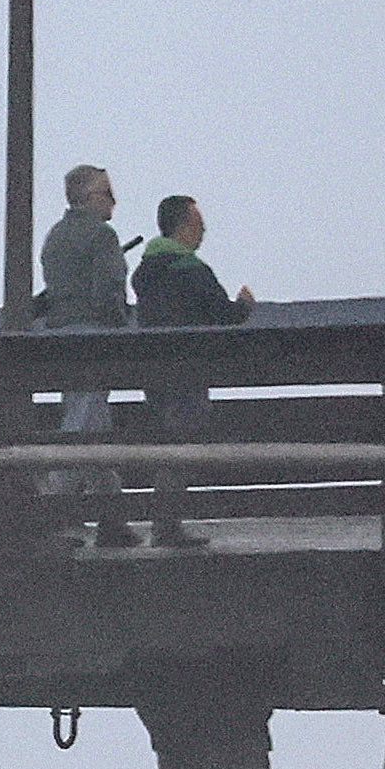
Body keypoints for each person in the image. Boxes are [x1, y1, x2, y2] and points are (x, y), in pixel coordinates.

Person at [127, 193, 252, 549]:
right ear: (183, 226)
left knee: (167, 444)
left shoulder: (146, 271)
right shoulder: (191, 270)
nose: (203, 232)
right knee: (181, 444)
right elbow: (223, 315)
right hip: (187, 371)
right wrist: (244, 306)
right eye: (199, 225)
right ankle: (167, 527)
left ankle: (163, 524)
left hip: (154, 373)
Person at [34, 163, 135, 544]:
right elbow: (109, 293)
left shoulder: (55, 237)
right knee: (81, 422)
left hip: (61, 340)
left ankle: (113, 520)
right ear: (93, 198)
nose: (114, 200)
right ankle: (52, 509)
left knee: (94, 423)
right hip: (93, 340)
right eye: (108, 193)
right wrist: (120, 325)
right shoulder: (103, 236)